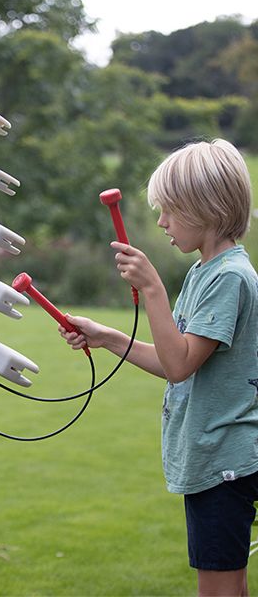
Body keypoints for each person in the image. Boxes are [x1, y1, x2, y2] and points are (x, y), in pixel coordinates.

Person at [60, 139, 258, 597]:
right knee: (231, 583)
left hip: (223, 459)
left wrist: (152, 289)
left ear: (206, 207)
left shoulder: (228, 276)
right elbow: (176, 358)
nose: (161, 222)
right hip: (216, 454)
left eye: (169, 210)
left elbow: (179, 366)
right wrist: (107, 337)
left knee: (220, 589)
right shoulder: (206, 271)